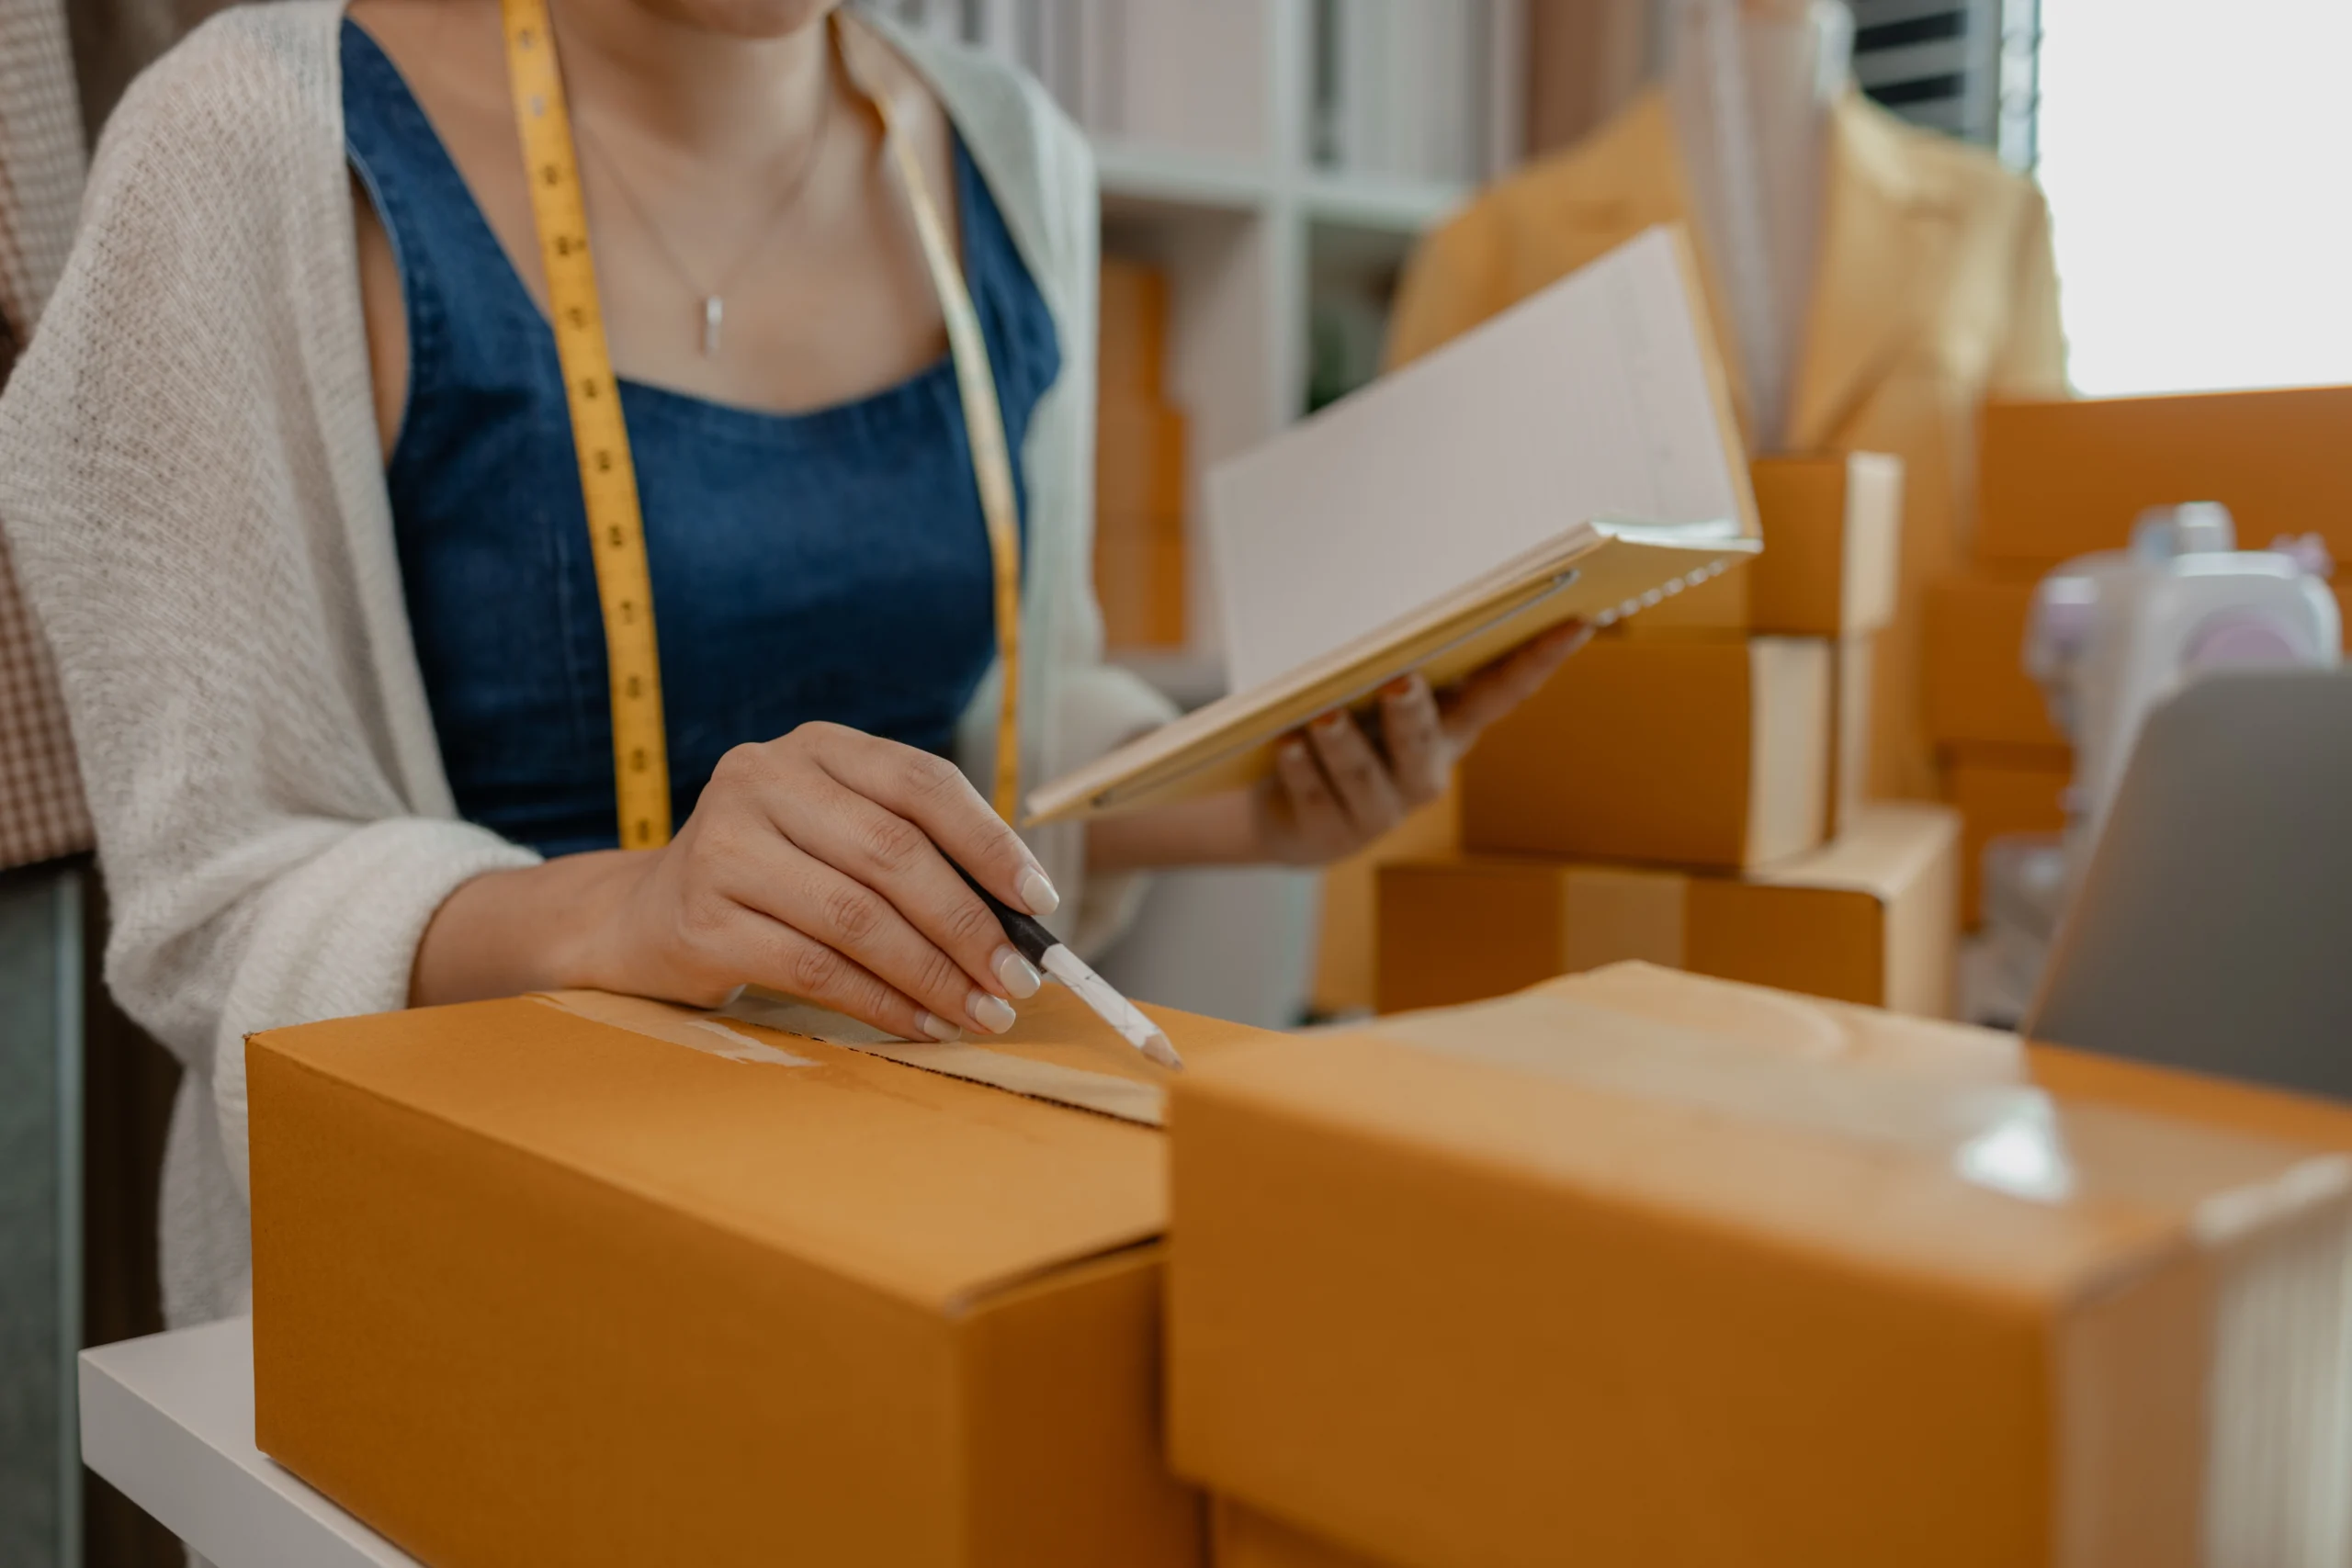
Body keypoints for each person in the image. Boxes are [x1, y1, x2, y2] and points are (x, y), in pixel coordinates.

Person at [0, 0, 1580, 1328]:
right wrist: (637, 905)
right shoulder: (247, 144)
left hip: (924, 1228)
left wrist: (1243, 796)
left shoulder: (1007, 154)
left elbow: (1008, 709)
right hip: (466, 1285)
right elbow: (213, 903)